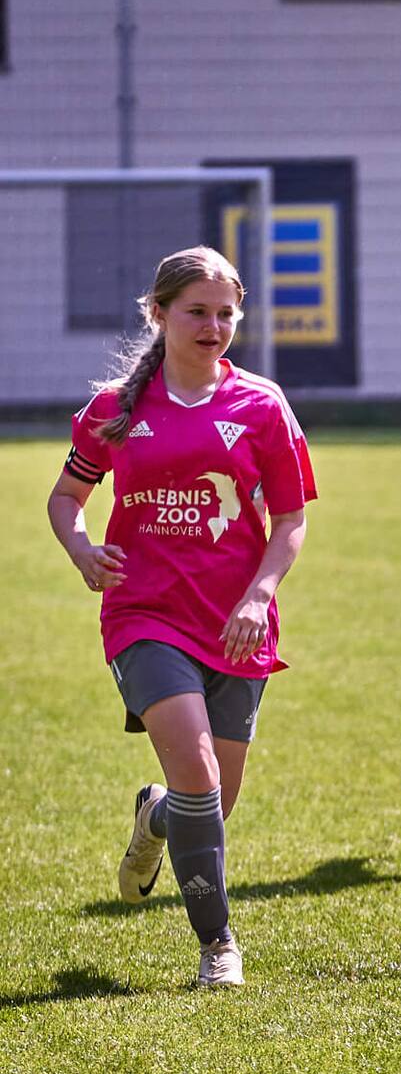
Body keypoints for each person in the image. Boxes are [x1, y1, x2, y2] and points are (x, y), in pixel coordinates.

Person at [48, 246, 317, 988]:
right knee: (200, 776)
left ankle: (157, 817)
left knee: (207, 805)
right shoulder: (115, 408)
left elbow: (291, 521)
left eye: (226, 313)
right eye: (196, 311)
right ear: (159, 313)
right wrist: (81, 550)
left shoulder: (261, 405)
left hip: (236, 622)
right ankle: (218, 948)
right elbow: (65, 499)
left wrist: (259, 596)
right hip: (143, 615)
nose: (213, 326)